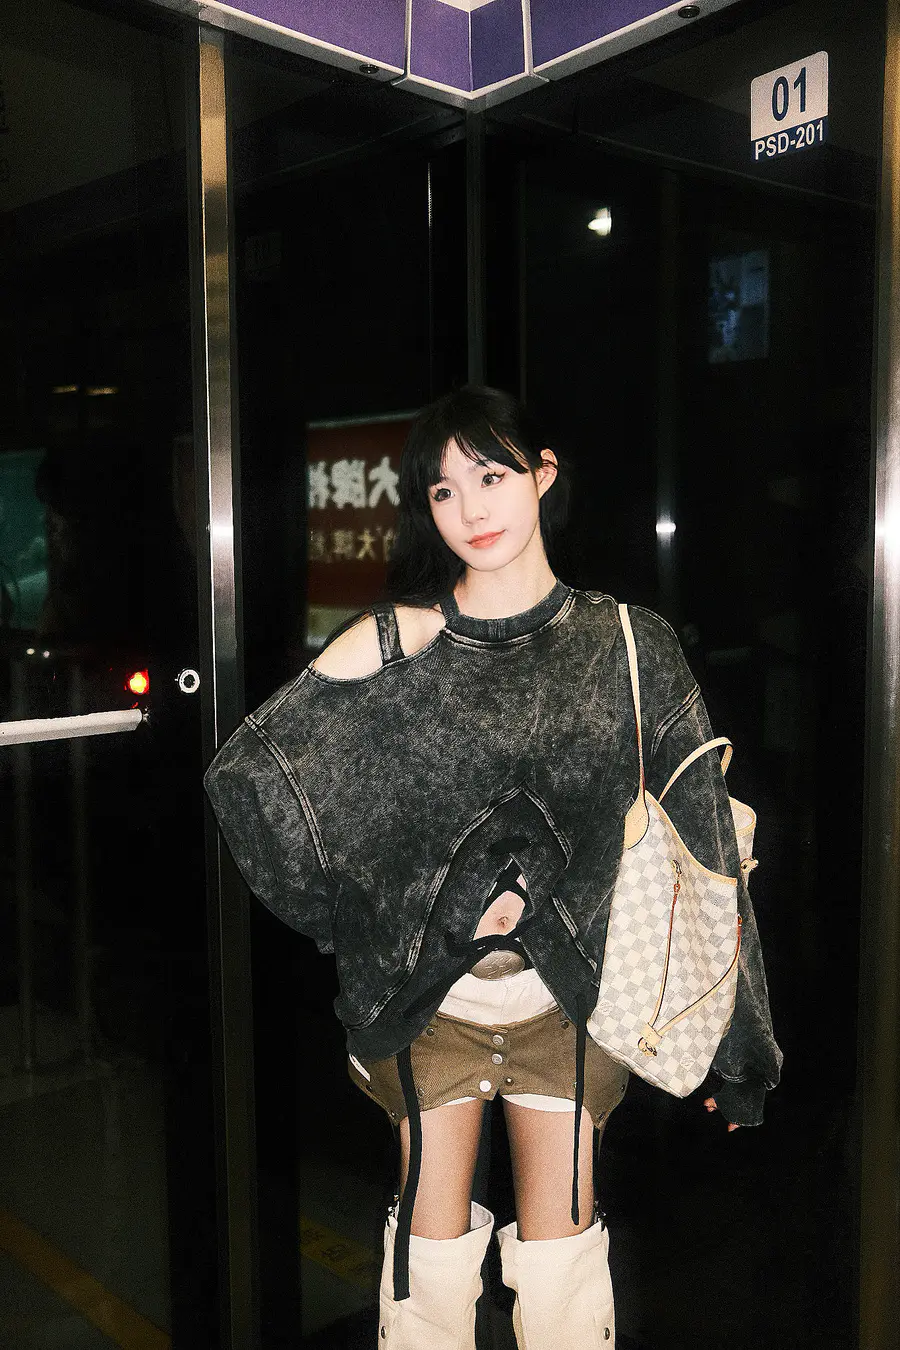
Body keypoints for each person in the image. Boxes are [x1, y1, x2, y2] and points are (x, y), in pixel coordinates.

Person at [203, 385, 783, 1349]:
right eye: (442, 491)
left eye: (491, 475)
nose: (470, 508)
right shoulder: (404, 651)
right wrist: (366, 651)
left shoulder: (626, 645)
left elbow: (709, 850)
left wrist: (742, 1046)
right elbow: (249, 782)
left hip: (576, 1002)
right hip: (433, 1008)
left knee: (563, 1274)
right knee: (428, 1276)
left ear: (543, 476)